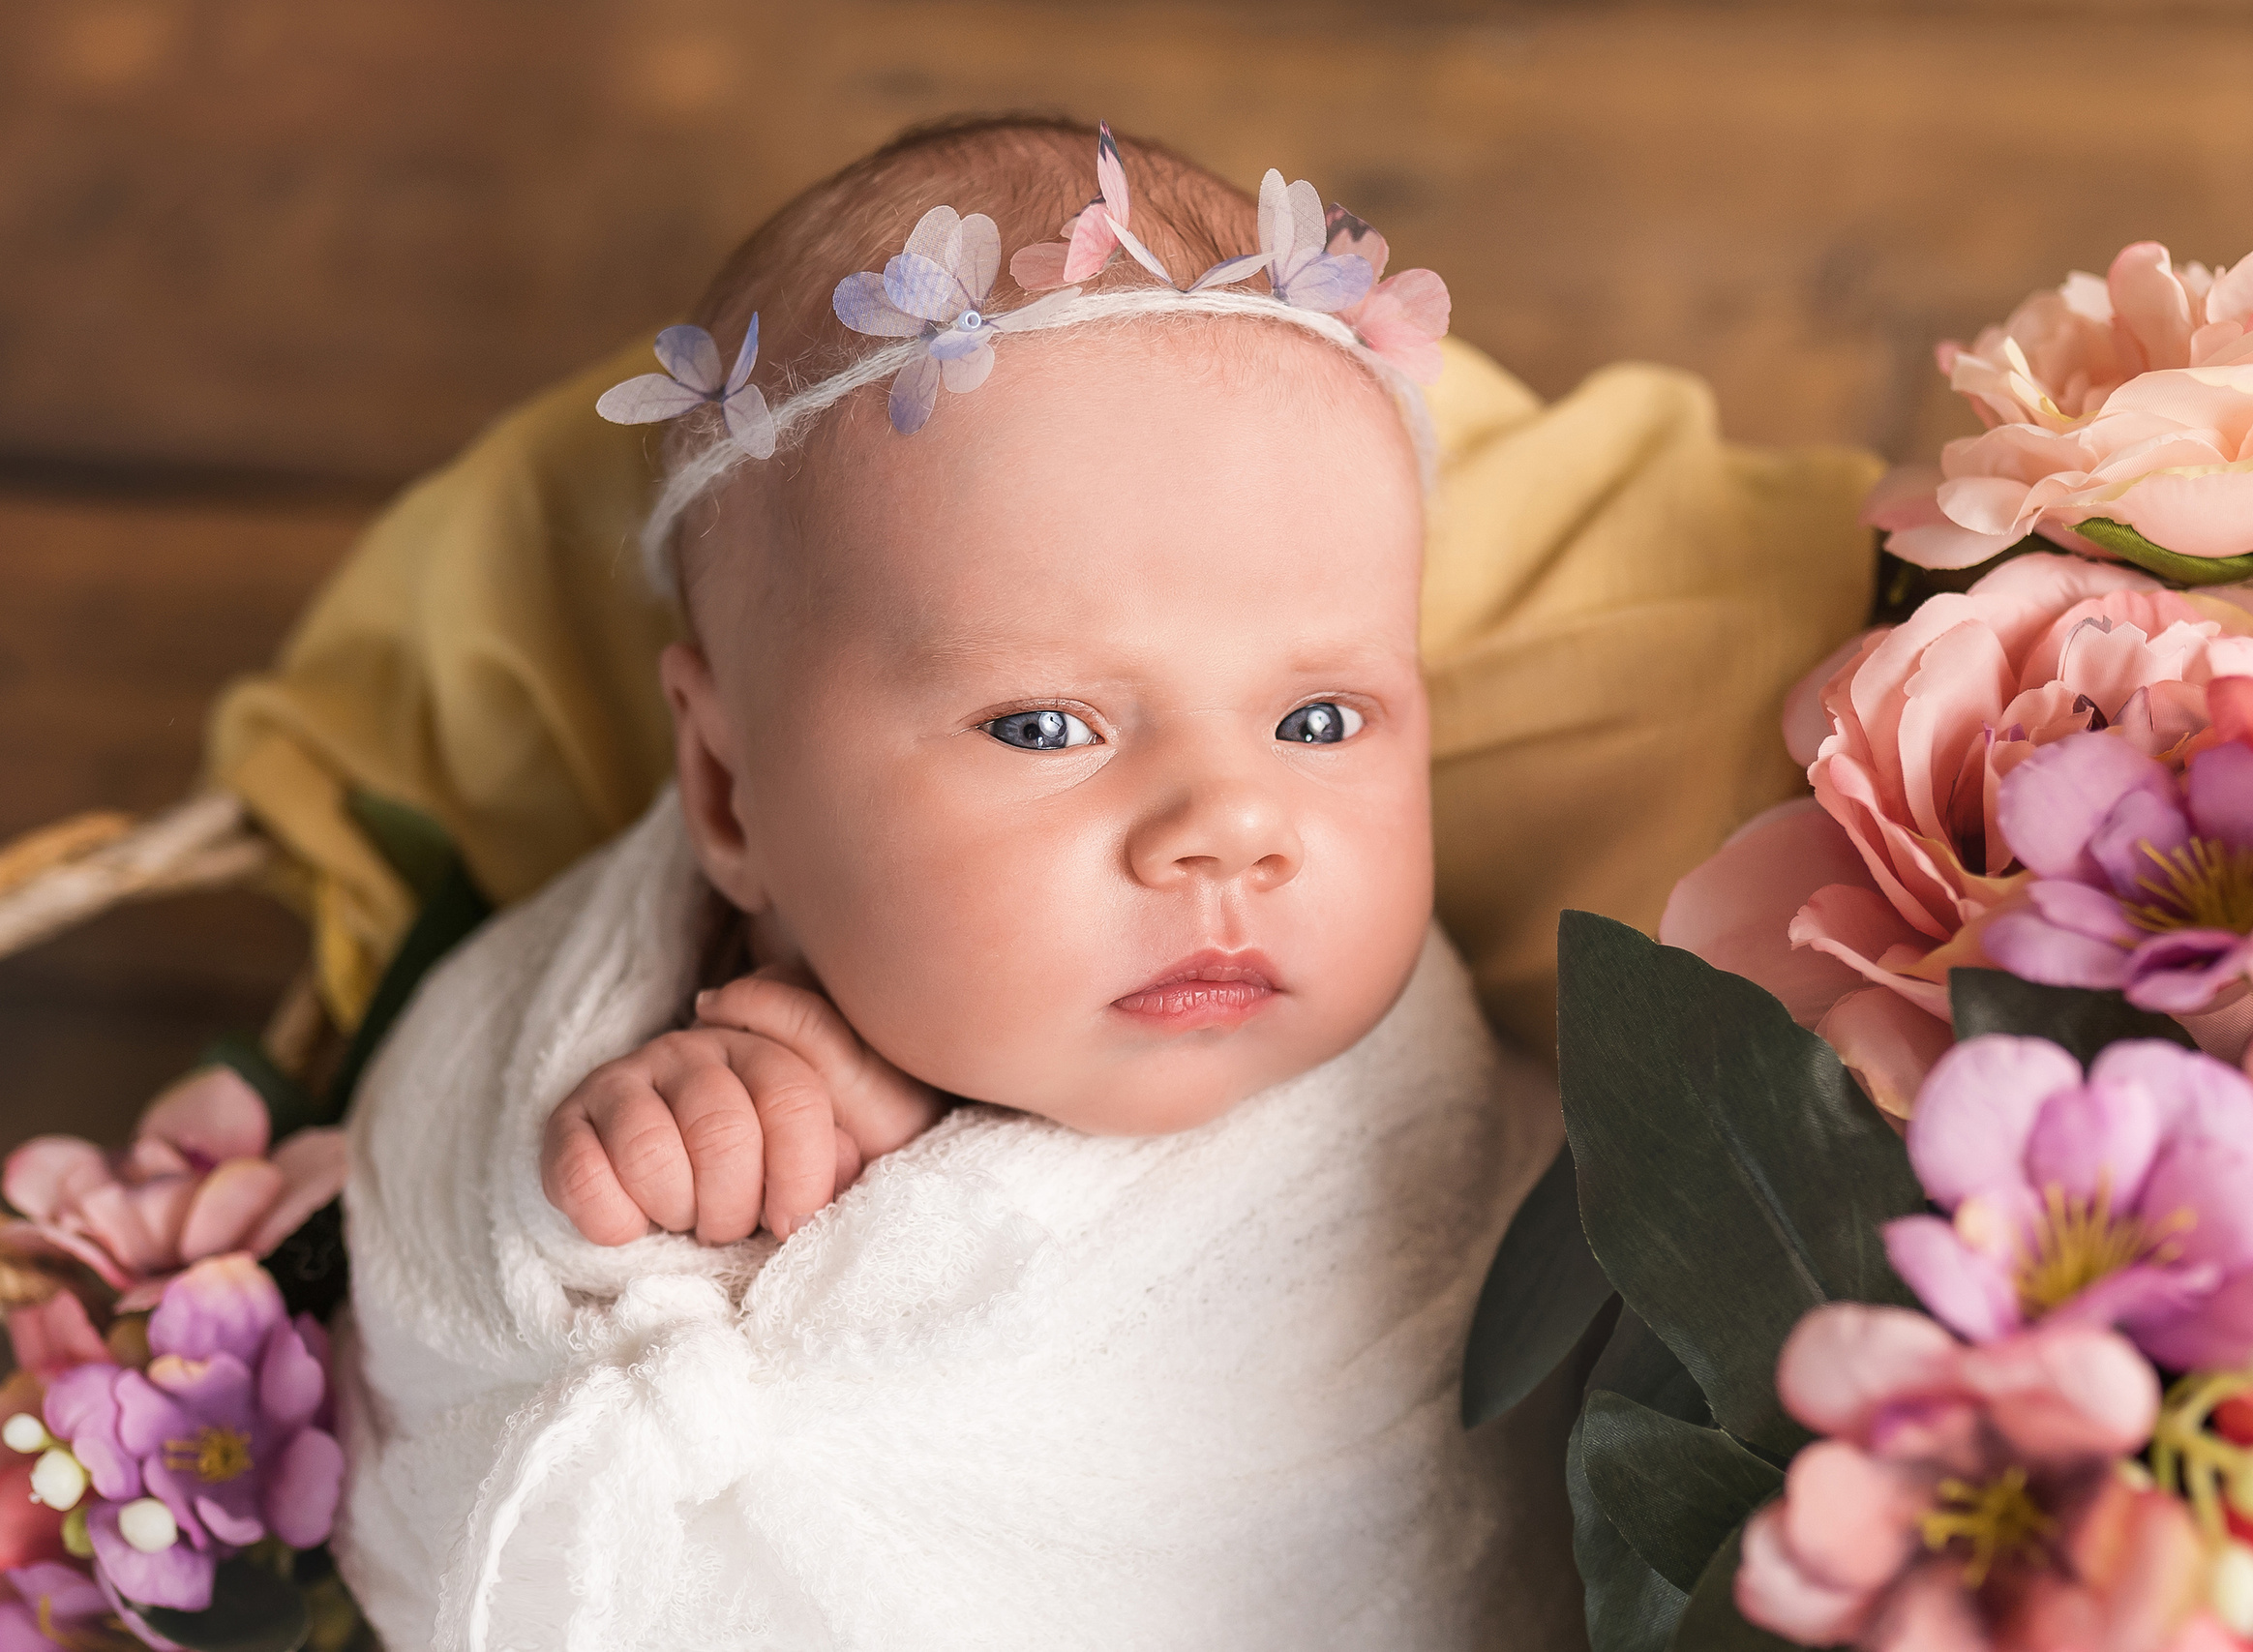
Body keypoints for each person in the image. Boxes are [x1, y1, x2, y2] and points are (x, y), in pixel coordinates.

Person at [335, 116, 1577, 1650]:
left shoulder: (1459, 1159)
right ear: (729, 791)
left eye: (1318, 720)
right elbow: (461, 1343)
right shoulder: (673, 1056)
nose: (1229, 829)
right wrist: (685, 1208)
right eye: (1047, 725)